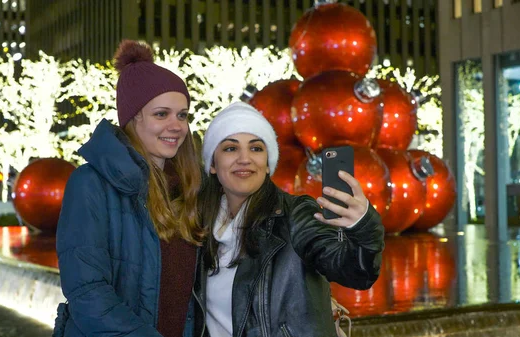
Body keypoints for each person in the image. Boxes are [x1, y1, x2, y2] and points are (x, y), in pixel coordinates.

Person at [193, 102, 384, 337]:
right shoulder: (196, 226)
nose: (245, 159)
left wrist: (363, 225)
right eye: (231, 149)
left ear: (267, 164)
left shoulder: (295, 214)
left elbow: (355, 271)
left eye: (256, 148)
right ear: (212, 164)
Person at [54, 40, 203, 337]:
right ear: (133, 118)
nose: (177, 126)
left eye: (183, 115)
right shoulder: (90, 184)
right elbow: (88, 293)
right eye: (162, 114)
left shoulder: (191, 188)